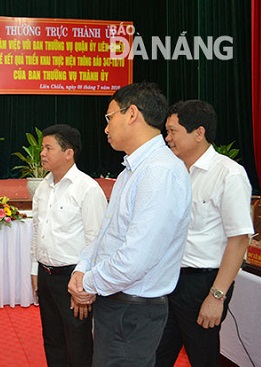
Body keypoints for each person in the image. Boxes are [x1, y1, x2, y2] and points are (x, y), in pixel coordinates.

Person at [67, 82, 192, 367]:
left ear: (132, 113)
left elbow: (136, 258)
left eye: (110, 118)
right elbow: (105, 235)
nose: (106, 128)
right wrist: (83, 267)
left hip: (133, 312)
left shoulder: (159, 172)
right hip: (118, 304)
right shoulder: (131, 171)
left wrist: (89, 282)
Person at [155, 100, 254, 366]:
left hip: (203, 285)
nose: (167, 138)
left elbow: (239, 239)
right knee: (156, 354)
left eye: (173, 131)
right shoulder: (175, 172)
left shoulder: (228, 174)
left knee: (202, 357)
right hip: (169, 280)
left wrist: (216, 296)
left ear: (199, 133)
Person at [31, 124, 107, 367]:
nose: (42, 153)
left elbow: (96, 240)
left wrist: (84, 284)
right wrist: (35, 270)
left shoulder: (87, 188)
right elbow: (37, 231)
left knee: (78, 342)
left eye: (48, 148)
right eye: (42, 147)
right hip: (46, 274)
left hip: (73, 278)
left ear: (68, 153)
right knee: (52, 340)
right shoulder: (43, 187)